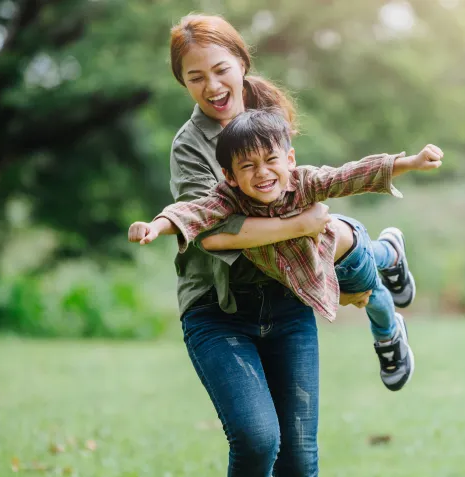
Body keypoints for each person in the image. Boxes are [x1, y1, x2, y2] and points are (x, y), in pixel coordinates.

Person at [141, 13, 416, 476]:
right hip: (221, 307)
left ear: (241, 63)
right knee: (257, 439)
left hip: (286, 297)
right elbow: (215, 233)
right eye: (196, 77)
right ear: (182, 82)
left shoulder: (266, 115)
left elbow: (320, 182)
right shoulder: (190, 146)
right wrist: (303, 225)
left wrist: (398, 166)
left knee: (299, 459)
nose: (212, 86)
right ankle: (385, 265)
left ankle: (385, 272)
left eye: (221, 70)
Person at [130, 108, 444, 390]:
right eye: (248, 166)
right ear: (230, 176)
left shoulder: (304, 182)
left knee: (371, 294)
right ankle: (390, 250)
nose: (262, 172)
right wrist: (155, 226)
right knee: (371, 274)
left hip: (345, 255)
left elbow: (350, 175)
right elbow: (192, 212)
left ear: (289, 159)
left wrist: (409, 162)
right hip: (317, 263)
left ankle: (389, 334)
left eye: (271, 160)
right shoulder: (228, 200)